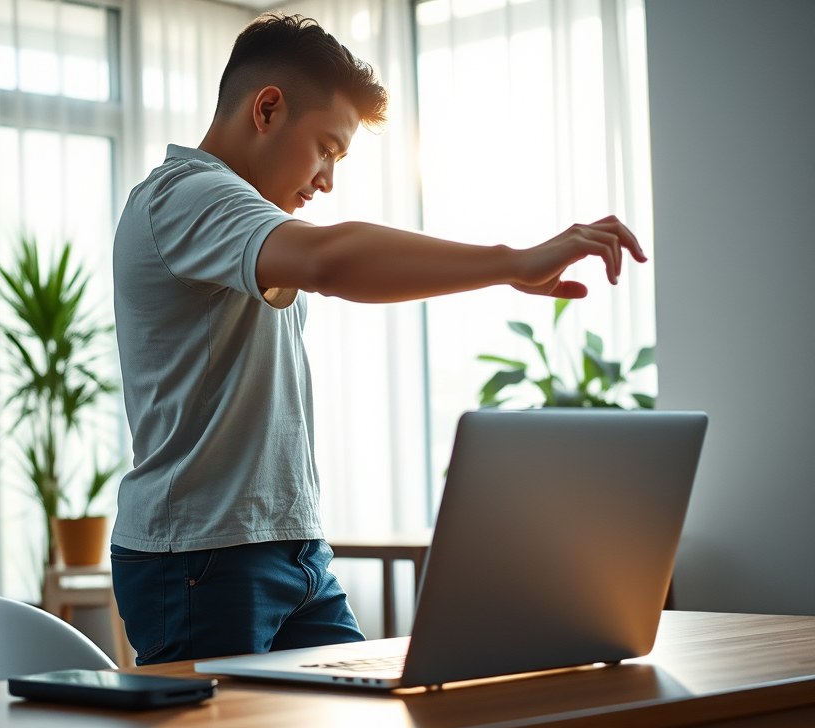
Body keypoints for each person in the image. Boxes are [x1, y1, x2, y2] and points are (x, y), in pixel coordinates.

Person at [111, 12, 646, 665]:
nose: (328, 179)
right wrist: (512, 262)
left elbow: (327, 261)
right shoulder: (186, 195)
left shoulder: (240, 222)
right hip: (201, 556)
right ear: (268, 109)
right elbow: (332, 262)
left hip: (289, 546)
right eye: (327, 149)